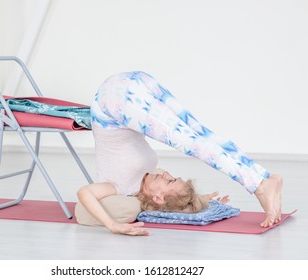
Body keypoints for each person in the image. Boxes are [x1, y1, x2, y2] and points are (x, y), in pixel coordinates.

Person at [77, 71, 283, 236]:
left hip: (112, 104)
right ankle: (262, 176)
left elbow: (84, 193)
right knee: (199, 133)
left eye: (169, 181)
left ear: (157, 198)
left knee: (193, 144)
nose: (166, 174)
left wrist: (112, 225)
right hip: (134, 85)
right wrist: (199, 199)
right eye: (172, 178)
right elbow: (177, 199)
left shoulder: (120, 185)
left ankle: (258, 184)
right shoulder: (148, 176)